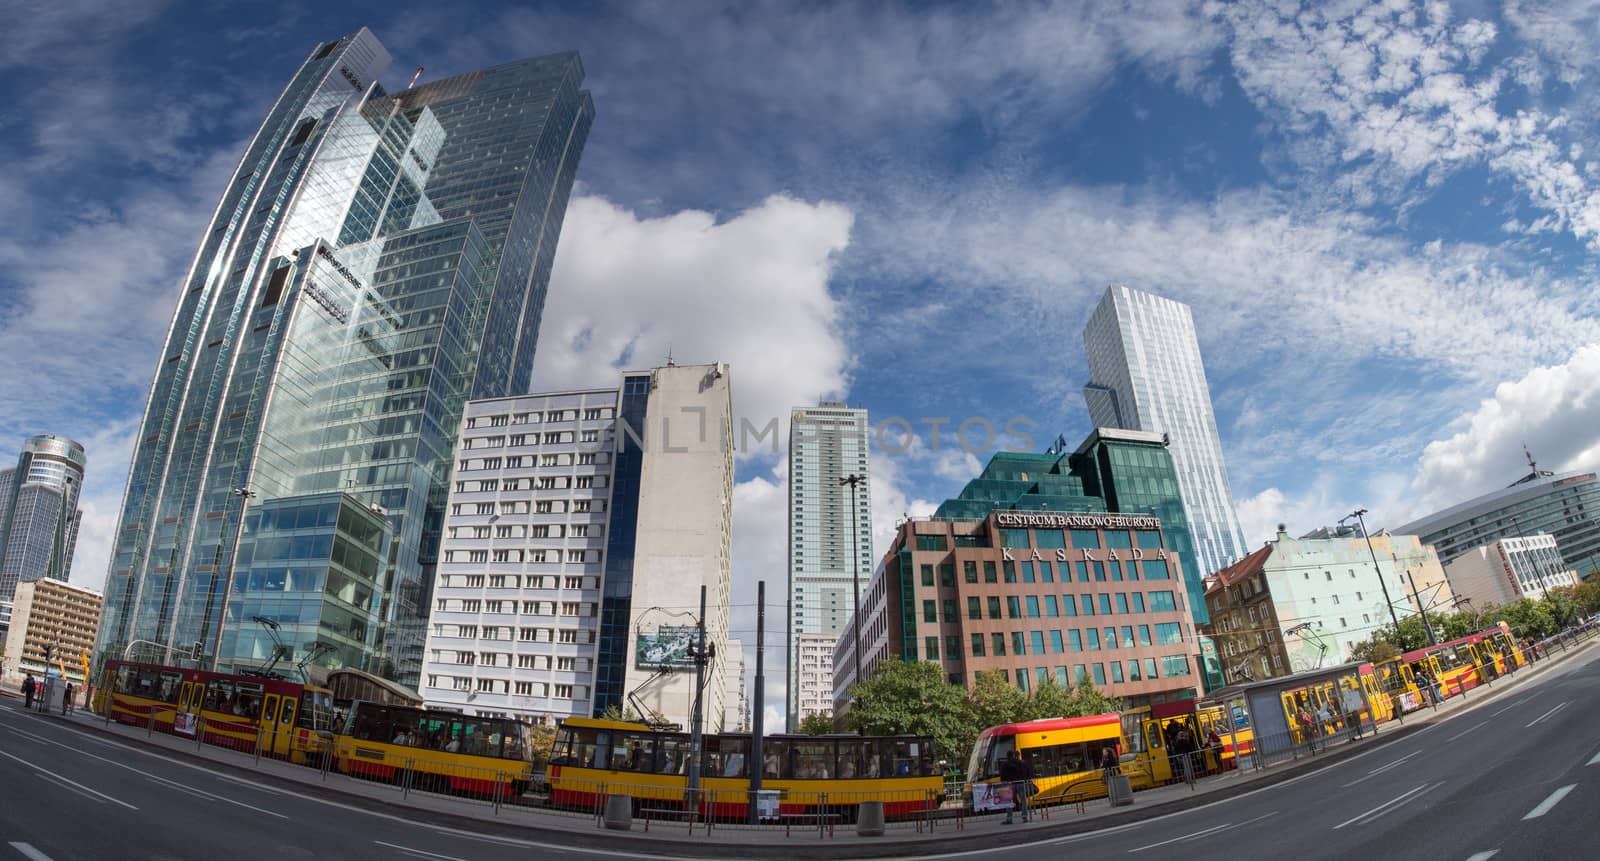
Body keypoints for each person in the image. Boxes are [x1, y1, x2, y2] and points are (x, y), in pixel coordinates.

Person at [998, 750, 1032, 825]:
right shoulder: (1020, 763)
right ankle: (1024, 816)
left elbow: (1003, 775)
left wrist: (1003, 782)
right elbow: (1026, 771)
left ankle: (1009, 818)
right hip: (1020, 783)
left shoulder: (1005, 764)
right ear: (1013, 755)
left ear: (1007, 756)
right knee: (1023, 800)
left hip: (1010, 784)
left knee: (1009, 801)